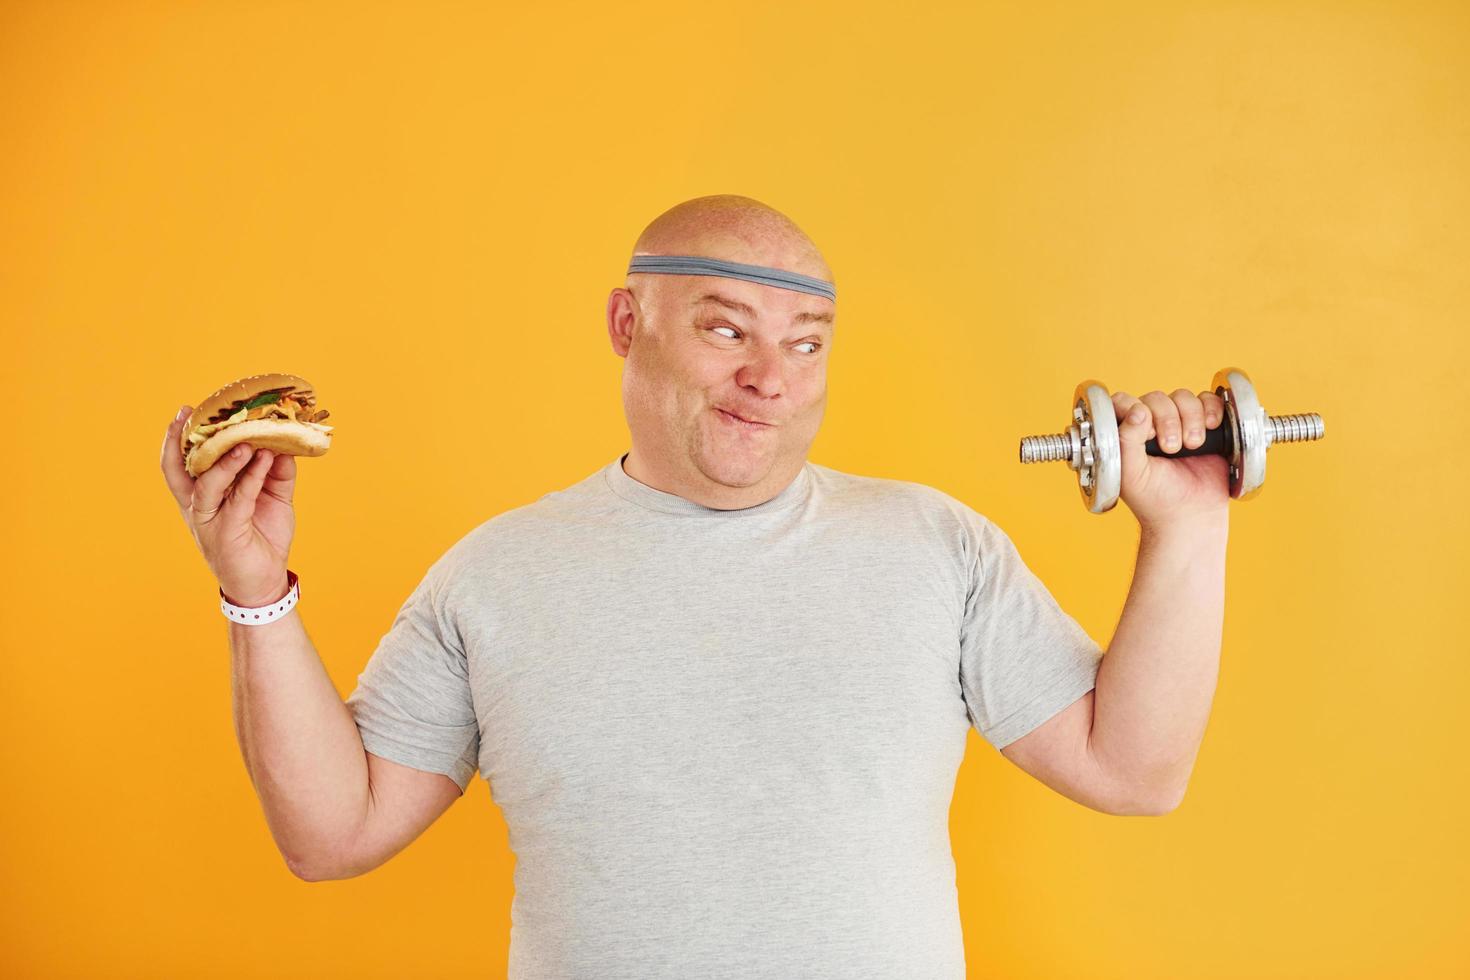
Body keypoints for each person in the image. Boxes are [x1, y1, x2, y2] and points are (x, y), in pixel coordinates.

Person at [160, 194, 1230, 979]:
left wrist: (1185, 526)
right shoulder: (495, 573)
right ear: (630, 325)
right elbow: (332, 831)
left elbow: (1132, 768)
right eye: (726, 330)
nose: (771, 378)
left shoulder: (934, 543)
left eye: (804, 344)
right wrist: (255, 591)